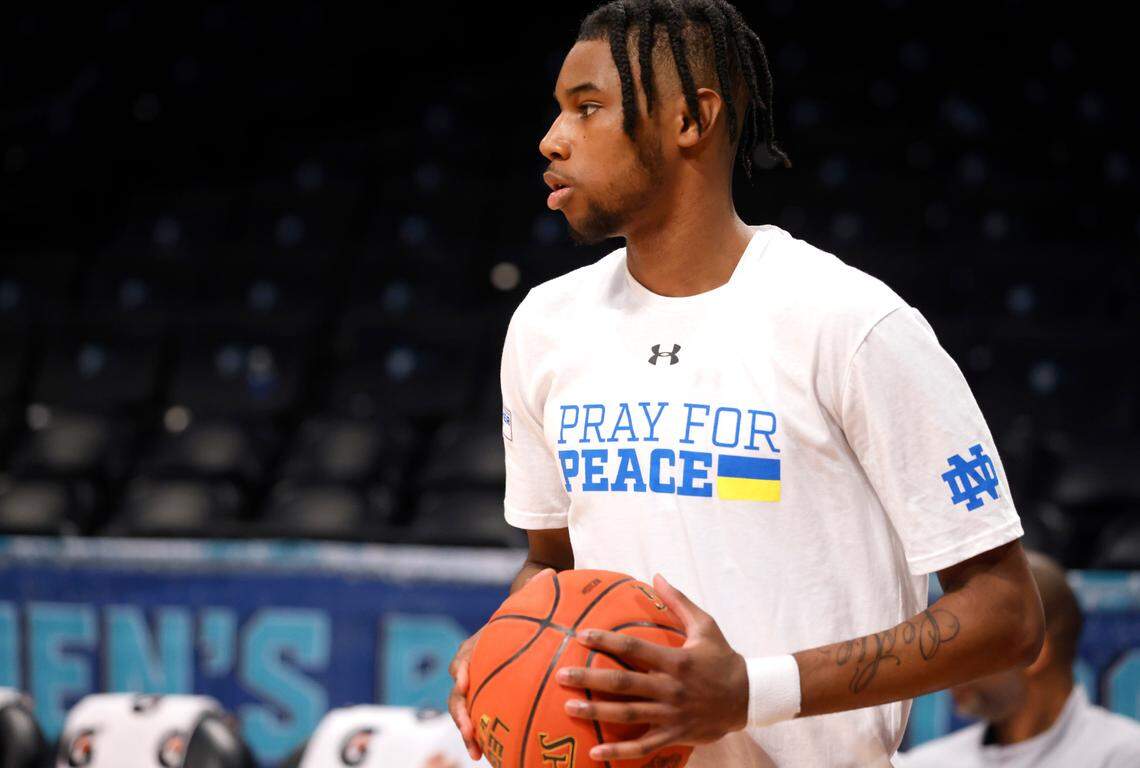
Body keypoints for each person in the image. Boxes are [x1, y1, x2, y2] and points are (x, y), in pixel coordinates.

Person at [448, 1, 1046, 766]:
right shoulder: (546, 324)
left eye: (587, 108)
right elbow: (551, 566)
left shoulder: (850, 323)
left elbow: (1006, 614)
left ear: (692, 120)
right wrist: (500, 647)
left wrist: (749, 692)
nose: (552, 138)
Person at [898, 551, 1140, 767]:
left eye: (969, 651)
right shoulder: (928, 762)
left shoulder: (1124, 755)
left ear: (1034, 652)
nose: (949, 673)